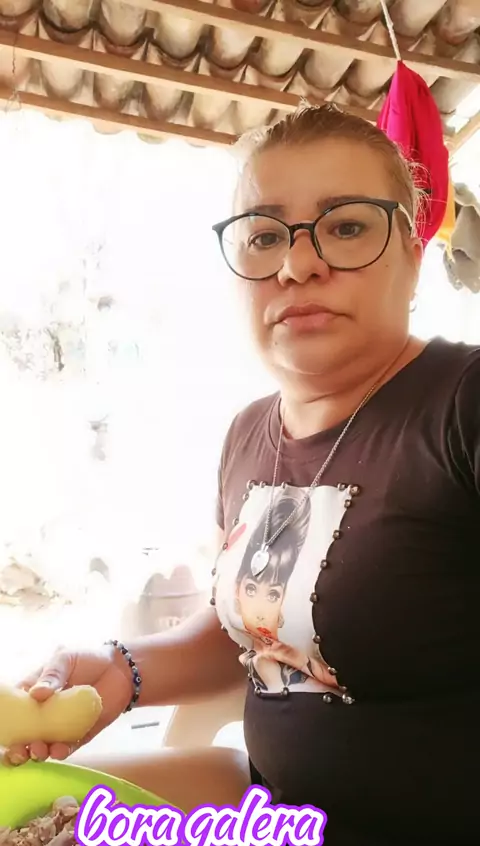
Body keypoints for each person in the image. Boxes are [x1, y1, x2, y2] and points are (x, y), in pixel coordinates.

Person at [5, 103, 480, 845]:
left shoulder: (461, 404)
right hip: (270, 810)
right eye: (264, 236)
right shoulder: (247, 435)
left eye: (346, 227)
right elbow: (254, 631)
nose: (298, 264)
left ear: (412, 254)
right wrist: (119, 669)